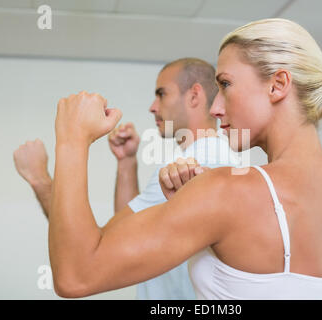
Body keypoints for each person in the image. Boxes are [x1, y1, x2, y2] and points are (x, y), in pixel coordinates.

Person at [47, 18, 322, 300]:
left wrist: (72, 139)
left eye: (225, 84)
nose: (216, 107)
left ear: (278, 85)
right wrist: (193, 203)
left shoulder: (229, 190)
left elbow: (76, 275)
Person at [13, 58, 240, 299]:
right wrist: (126, 162)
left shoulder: (198, 163)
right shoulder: (205, 159)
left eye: (161, 94)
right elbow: (129, 232)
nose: (153, 106)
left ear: (194, 95)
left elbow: (88, 258)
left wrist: (42, 176)